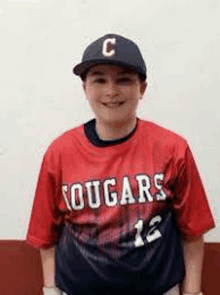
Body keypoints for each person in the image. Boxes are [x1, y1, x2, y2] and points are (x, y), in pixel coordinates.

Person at [26, 33, 215, 295]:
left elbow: (193, 233)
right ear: (85, 88)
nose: (111, 91)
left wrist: (192, 293)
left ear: (142, 88)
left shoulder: (173, 149)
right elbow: (45, 235)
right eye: (99, 79)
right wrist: (50, 289)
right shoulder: (60, 152)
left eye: (124, 80)